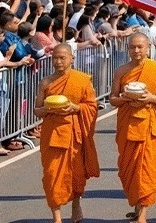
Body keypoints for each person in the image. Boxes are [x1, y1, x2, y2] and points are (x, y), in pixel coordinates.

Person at [109, 33, 156, 223]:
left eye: (140, 47)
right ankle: (138, 206)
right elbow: (113, 98)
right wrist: (125, 98)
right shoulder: (121, 71)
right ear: (128, 49)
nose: (136, 51)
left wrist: (151, 98)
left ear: (148, 48)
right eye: (133, 47)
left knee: (147, 170)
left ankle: (143, 214)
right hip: (128, 126)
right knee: (128, 169)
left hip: (149, 127)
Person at [35, 44, 100, 223]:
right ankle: (57, 217)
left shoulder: (82, 80)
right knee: (51, 175)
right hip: (53, 134)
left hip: (74, 133)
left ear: (72, 58)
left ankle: (76, 204)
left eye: (62, 57)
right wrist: (48, 109)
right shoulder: (46, 82)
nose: (58, 61)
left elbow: (92, 106)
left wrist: (75, 107)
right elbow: (37, 110)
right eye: (55, 57)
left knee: (75, 173)